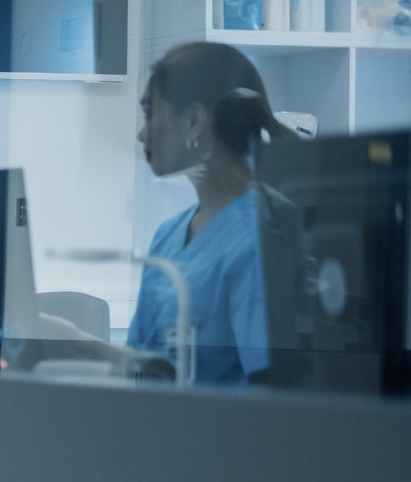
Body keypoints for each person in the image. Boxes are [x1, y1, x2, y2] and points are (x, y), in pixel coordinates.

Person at [124, 43, 291, 386]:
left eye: (151, 113)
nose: (142, 133)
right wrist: (74, 345)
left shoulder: (256, 242)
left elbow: (272, 398)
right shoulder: (168, 234)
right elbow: (144, 366)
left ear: (194, 122)